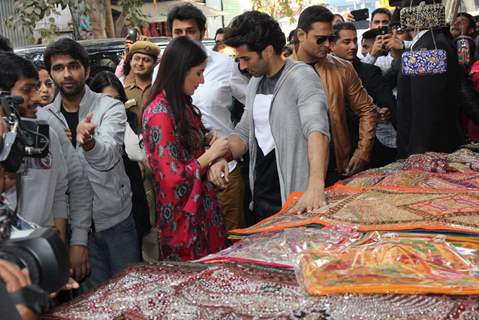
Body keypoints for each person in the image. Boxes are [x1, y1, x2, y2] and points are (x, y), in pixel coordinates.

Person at [40, 38, 140, 290]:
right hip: (75, 228)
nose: (67, 74)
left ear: (86, 70)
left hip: (115, 221)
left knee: (128, 295)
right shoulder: (43, 118)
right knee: (92, 303)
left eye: (73, 66)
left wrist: (89, 143)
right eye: (59, 68)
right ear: (51, 73)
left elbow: (108, 158)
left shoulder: (110, 107)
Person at [211, 11, 330, 222]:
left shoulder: (301, 77)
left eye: (246, 58)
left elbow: (317, 130)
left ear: (267, 51)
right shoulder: (255, 82)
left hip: (296, 198)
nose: (243, 66)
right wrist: (223, 155)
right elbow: (245, 132)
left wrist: (315, 186)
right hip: (261, 196)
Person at [142, 36, 228, 261]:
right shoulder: (159, 114)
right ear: (181, 70)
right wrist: (212, 154)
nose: (202, 81)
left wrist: (213, 151)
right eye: (198, 73)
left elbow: (193, 148)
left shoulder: (181, 105)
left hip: (203, 214)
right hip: (184, 223)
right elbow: (172, 180)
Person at [166, 4, 249, 230]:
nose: (184, 37)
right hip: (184, 180)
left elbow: (254, 105)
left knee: (232, 246)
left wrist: (235, 140)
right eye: (178, 32)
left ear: (202, 32)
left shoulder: (225, 65)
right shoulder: (161, 72)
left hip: (224, 172)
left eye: (190, 31)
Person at [294, 5, 377, 185]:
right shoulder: (283, 71)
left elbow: (367, 109)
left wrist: (362, 152)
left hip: (337, 166)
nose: (327, 44)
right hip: (296, 169)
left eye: (330, 38)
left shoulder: (343, 68)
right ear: (301, 35)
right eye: (320, 39)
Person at [0, 52, 68, 241]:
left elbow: (60, 191)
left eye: (36, 88)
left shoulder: (47, 137)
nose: (37, 97)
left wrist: (59, 246)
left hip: (40, 248)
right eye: (27, 89)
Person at [89, 71, 150, 256]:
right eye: (106, 99)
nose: (112, 105)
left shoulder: (128, 121)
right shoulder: (84, 132)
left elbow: (139, 153)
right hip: (101, 213)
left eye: (117, 100)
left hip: (132, 202)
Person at [395, 1, 465, 158]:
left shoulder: (429, 47)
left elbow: (426, 110)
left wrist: (418, 155)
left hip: (429, 150)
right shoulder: (429, 42)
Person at [331, 22, 397, 167]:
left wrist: (385, 112)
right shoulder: (320, 74)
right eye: (347, 42)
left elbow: (390, 105)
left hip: (375, 151)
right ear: (332, 45)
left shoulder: (369, 71)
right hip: (336, 151)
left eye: (355, 41)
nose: (353, 46)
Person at [124, 40, 160, 126]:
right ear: (130, 62)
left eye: (146, 60)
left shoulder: (160, 90)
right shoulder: (124, 92)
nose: (140, 63)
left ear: (155, 64)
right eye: (136, 59)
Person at [361, 8, 395, 73]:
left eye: (385, 22)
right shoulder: (363, 41)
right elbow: (360, 72)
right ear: (370, 25)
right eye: (377, 22)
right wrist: (372, 55)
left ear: (390, 25)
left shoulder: (397, 43)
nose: (380, 25)